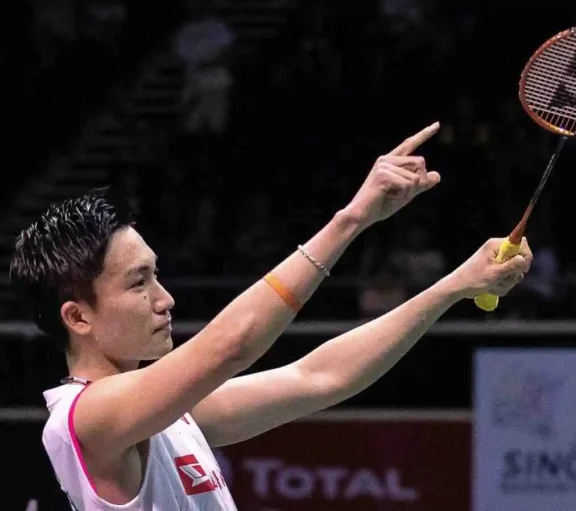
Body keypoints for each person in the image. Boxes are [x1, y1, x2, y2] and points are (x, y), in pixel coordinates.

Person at [10, 123, 532, 510]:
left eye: (157, 276)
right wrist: (351, 220)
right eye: (138, 282)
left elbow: (319, 376)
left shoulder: (174, 416)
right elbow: (231, 344)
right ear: (78, 318)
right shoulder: (86, 421)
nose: (164, 299)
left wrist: (454, 286)